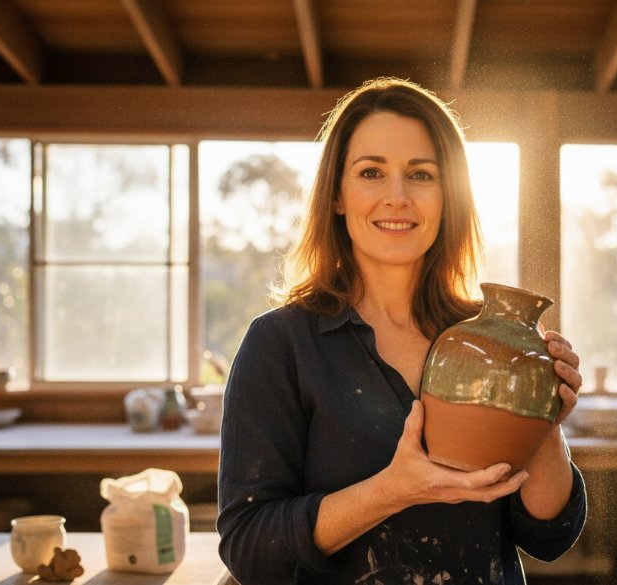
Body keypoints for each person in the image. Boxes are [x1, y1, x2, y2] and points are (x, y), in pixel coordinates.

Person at [217, 77, 587, 585]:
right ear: (338, 196)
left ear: (447, 196)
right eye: (371, 172)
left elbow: (549, 538)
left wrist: (544, 420)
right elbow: (251, 549)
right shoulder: (281, 344)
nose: (397, 196)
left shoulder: (492, 344)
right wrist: (393, 489)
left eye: (421, 175)